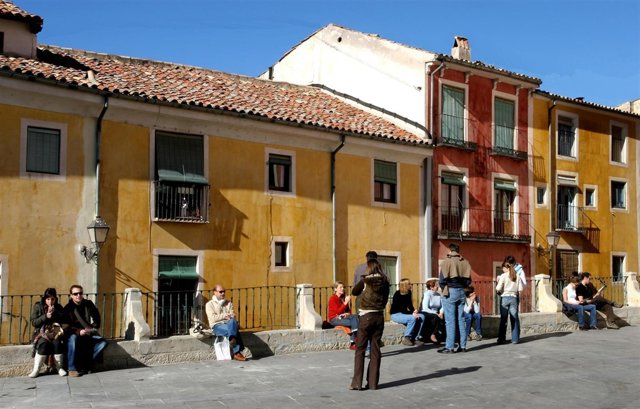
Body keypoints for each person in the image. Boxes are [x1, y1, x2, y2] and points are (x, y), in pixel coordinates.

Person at [349, 259, 390, 391]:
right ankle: (373, 383)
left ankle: (357, 383)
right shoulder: (385, 281)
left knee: (360, 349)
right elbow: (386, 297)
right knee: (376, 350)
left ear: (369, 268)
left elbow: (354, 291)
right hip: (379, 316)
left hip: (366, 316)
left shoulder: (365, 281)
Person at [62, 285, 108, 377]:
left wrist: (91, 328)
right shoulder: (68, 308)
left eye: (80, 293)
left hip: (88, 332)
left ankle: (87, 364)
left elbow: (97, 318)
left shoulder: (88, 304)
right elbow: (65, 326)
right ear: (71, 295)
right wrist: (79, 332)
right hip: (74, 333)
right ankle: (71, 368)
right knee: (72, 339)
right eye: (75, 294)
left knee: (103, 342)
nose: (78, 295)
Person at [438, 243, 471, 353]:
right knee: (461, 319)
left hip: (450, 291)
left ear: (450, 251)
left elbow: (442, 281)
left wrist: (445, 289)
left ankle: (450, 347)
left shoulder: (446, 262)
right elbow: (468, 281)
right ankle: (463, 346)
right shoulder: (465, 262)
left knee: (450, 321)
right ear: (458, 251)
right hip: (461, 291)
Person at [29, 288, 67, 377]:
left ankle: (59, 368)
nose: (50, 302)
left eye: (52, 299)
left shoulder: (58, 307)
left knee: (57, 344)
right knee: (43, 345)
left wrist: (55, 314)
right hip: (41, 333)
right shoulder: (38, 306)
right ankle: (36, 369)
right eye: (48, 299)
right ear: (44, 299)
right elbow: (34, 322)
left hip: (55, 333)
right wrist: (45, 316)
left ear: (55, 299)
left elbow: (64, 320)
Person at [206, 284, 247, 361]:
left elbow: (233, 315)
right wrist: (224, 316)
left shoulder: (228, 303)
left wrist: (231, 317)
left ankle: (232, 340)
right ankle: (237, 352)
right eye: (220, 292)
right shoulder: (209, 304)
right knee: (233, 330)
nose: (223, 293)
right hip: (217, 326)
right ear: (215, 292)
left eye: (224, 291)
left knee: (232, 322)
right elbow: (213, 318)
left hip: (229, 324)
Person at [390, 278, 425, 346]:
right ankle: (407, 337)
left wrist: (414, 312)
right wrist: (413, 314)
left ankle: (415, 338)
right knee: (412, 318)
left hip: (404, 313)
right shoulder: (397, 294)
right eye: (409, 284)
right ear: (405, 285)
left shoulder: (409, 293)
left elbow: (410, 305)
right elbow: (398, 308)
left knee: (422, 316)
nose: (411, 285)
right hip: (396, 314)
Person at [496, 262, 523, 344]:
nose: (503, 270)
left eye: (503, 268)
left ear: (506, 268)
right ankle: (515, 339)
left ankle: (501, 339)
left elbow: (498, 288)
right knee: (514, 319)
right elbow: (520, 289)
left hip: (504, 297)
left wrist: (498, 281)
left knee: (503, 319)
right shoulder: (517, 275)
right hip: (514, 298)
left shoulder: (503, 276)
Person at [327, 281, 359, 348]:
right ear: (335, 289)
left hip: (343, 317)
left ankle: (353, 342)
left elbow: (348, 311)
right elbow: (337, 312)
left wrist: (347, 313)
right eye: (340, 287)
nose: (342, 289)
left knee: (356, 317)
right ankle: (354, 341)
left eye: (343, 287)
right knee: (353, 322)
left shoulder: (342, 298)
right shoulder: (332, 299)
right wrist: (346, 302)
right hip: (334, 319)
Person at [419, 279, 444, 344]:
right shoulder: (427, 294)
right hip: (426, 311)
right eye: (436, 286)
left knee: (443, 317)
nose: (437, 287)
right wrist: (436, 313)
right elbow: (425, 308)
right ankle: (433, 335)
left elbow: (442, 306)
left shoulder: (438, 295)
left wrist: (441, 312)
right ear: (431, 287)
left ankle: (440, 336)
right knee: (435, 317)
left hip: (436, 312)